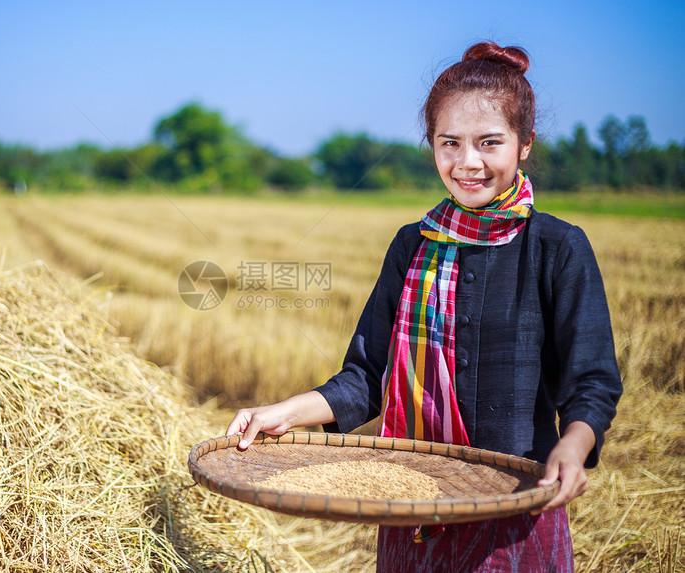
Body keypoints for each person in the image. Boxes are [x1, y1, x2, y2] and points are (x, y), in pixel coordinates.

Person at [226, 41, 622, 572]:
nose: (467, 163)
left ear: (525, 144)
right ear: (431, 144)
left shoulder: (556, 247)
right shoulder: (412, 245)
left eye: (489, 143)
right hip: (414, 514)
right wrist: (285, 414)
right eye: (449, 143)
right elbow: (368, 377)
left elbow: (591, 383)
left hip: (515, 514)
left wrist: (572, 449)